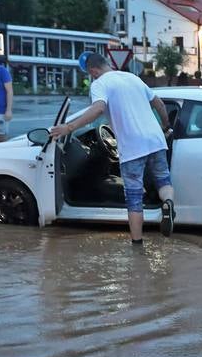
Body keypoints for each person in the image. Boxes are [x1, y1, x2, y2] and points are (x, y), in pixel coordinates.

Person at [49, 53, 174, 244]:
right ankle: (168, 203)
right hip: (156, 140)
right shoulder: (133, 78)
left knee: (134, 198)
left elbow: (98, 109)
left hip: (132, 147)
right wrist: (166, 127)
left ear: (93, 71)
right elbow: (159, 103)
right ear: (106, 63)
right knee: (163, 180)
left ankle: (137, 244)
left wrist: (69, 127)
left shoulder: (100, 84)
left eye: (90, 74)